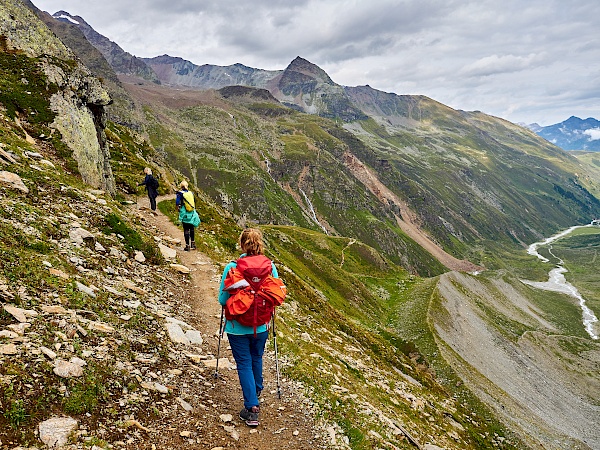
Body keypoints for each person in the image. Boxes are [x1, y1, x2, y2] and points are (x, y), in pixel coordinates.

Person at [218, 228, 279, 427]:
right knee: (256, 358)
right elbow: (275, 294)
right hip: (261, 325)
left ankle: (252, 408)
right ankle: (256, 388)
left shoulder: (232, 267)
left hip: (237, 327)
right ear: (259, 244)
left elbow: (222, 299)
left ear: (242, 244)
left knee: (244, 363)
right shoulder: (270, 266)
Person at [176, 180, 199, 251]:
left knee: (186, 229)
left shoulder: (180, 194)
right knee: (191, 228)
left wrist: (178, 208)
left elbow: (177, 202)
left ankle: (187, 246)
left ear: (181, 186)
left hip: (185, 213)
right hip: (192, 213)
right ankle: (193, 244)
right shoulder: (190, 193)